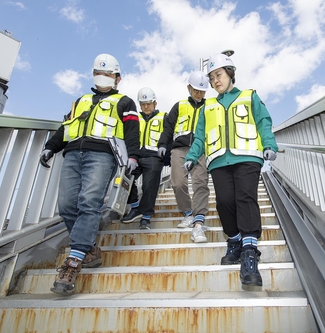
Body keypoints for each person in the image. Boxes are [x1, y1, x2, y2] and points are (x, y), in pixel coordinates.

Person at [39, 53, 141, 295]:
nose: (102, 78)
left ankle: (73, 263)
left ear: (118, 77)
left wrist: (133, 157)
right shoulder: (81, 100)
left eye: (108, 74)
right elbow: (66, 127)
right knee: (66, 205)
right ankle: (90, 249)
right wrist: (50, 147)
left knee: (89, 202)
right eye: (99, 73)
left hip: (102, 155)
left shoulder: (125, 102)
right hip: (73, 153)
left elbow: (132, 131)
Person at [184, 53, 278, 287]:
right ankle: (234, 240)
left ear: (230, 74)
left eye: (219, 75)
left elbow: (263, 121)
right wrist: (192, 156)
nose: (216, 81)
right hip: (218, 160)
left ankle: (249, 254)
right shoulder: (208, 106)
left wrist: (269, 145)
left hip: (247, 157)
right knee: (225, 203)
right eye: (212, 77)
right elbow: (200, 136)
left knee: (245, 199)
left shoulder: (249, 96)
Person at [157, 71, 210, 243]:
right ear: (188, 88)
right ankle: (188, 213)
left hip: (200, 149)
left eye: (202, 91)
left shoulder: (210, 106)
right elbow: (168, 128)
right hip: (179, 149)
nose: (199, 94)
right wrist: (163, 145)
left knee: (200, 183)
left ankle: (199, 217)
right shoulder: (179, 106)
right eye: (196, 90)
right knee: (178, 183)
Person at [120, 87, 168, 230]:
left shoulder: (164, 116)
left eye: (149, 103)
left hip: (154, 156)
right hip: (135, 155)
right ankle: (135, 207)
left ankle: (145, 217)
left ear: (155, 103)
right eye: (143, 104)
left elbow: (168, 135)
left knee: (149, 187)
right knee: (125, 180)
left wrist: (166, 152)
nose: (146, 106)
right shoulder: (135, 118)